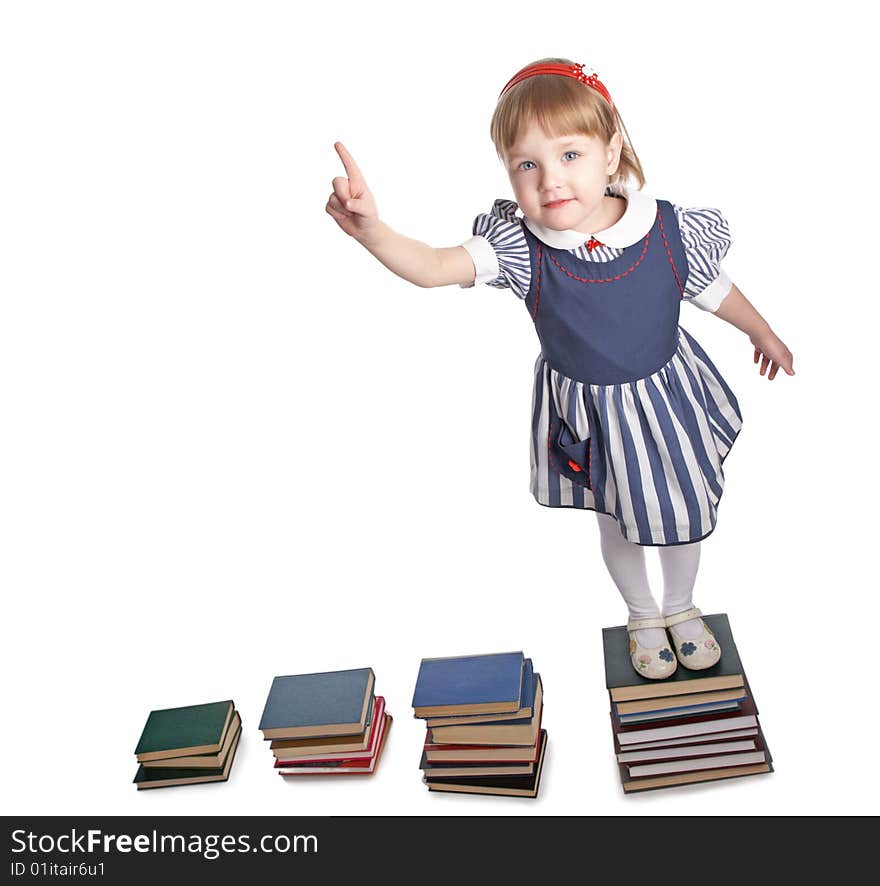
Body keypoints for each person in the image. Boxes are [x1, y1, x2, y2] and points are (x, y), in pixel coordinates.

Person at [326, 58, 794, 679]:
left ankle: (682, 607)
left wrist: (761, 329)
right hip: (591, 415)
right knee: (618, 515)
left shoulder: (667, 231)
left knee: (679, 512)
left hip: (667, 397)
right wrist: (372, 231)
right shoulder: (521, 247)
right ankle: (642, 615)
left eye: (570, 155)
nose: (550, 180)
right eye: (527, 164)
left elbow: (712, 288)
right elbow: (435, 266)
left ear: (612, 150)